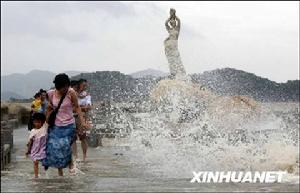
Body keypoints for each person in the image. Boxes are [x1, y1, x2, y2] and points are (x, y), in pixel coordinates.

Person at [42, 73, 87, 176]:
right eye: (63, 87)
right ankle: (60, 173)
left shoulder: (71, 92)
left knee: (64, 146)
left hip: (69, 125)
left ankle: (71, 166)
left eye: (67, 86)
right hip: (56, 126)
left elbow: (77, 107)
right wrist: (45, 121)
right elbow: (50, 107)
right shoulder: (51, 94)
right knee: (55, 148)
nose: (65, 89)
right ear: (57, 87)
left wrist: (82, 122)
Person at [72, 79, 92, 163]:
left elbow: (89, 107)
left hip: (81, 118)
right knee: (73, 138)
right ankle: (75, 157)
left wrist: (78, 108)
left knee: (83, 137)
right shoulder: (72, 94)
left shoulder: (87, 95)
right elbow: (71, 107)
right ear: (78, 85)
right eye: (83, 85)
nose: (85, 87)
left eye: (85, 85)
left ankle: (84, 157)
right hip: (72, 117)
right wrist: (82, 108)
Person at [25, 113, 48, 178]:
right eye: (35, 122)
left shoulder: (44, 128)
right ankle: (36, 176)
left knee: (45, 162)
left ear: (42, 122)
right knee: (35, 162)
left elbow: (47, 119)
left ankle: (46, 173)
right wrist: (28, 150)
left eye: (38, 122)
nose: (37, 124)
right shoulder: (33, 131)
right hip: (35, 149)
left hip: (43, 148)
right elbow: (31, 141)